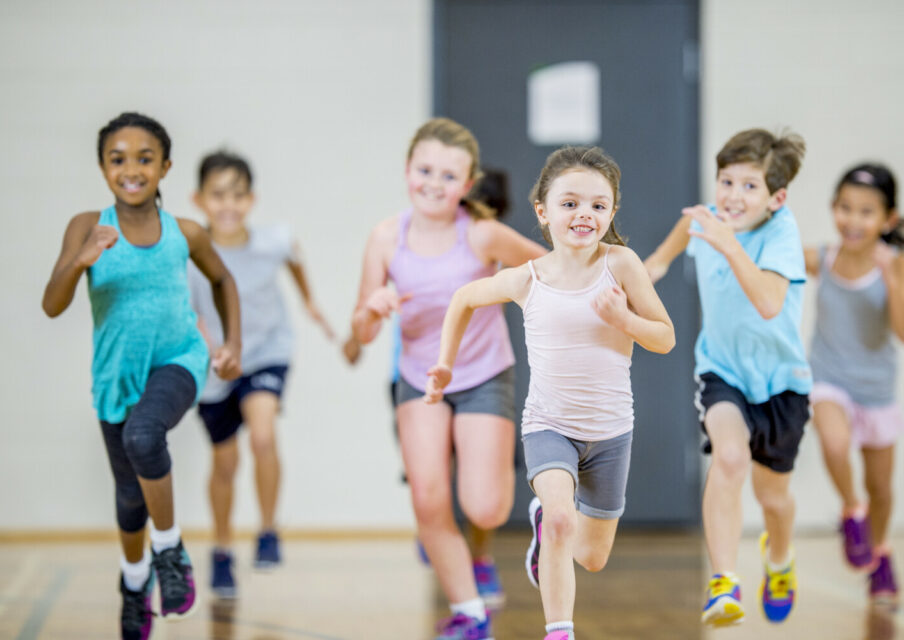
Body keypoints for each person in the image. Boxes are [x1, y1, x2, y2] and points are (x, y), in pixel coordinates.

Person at [426, 145, 674, 640]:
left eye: (598, 205)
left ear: (611, 213)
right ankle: (559, 631)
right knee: (562, 519)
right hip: (548, 426)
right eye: (570, 203)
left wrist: (624, 319)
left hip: (610, 433)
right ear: (543, 210)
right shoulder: (528, 278)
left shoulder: (621, 265)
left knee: (593, 557)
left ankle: (544, 529)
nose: (584, 214)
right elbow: (464, 298)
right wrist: (445, 364)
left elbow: (664, 337)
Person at [42, 112, 242, 640]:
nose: (131, 168)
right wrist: (80, 259)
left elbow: (223, 281)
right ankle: (134, 585)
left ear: (165, 167)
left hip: (178, 359)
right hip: (115, 379)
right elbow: (52, 304)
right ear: (104, 168)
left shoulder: (186, 231)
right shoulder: (87, 224)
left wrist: (231, 346)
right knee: (130, 499)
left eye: (144, 158)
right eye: (118, 159)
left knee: (145, 435)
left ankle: (170, 551)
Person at [350, 117, 545, 639]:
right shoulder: (386, 238)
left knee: (484, 504)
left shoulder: (482, 235)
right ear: (407, 170)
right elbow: (363, 330)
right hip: (419, 380)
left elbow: (550, 273)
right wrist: (373, 307)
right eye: (424, 170)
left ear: (468, 183)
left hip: (483, 374)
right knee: (428, 500)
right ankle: (469, 612)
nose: (433, 183)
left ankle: (542, 502)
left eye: (448, 175)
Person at [645, 128, 810, 627]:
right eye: (726, 181)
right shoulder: (707, 222)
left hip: (782, 384)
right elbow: (684, 231)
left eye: (750, 186)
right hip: (722, 372)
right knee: (730, 458)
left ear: (776, 198)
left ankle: (778, 562)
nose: (733, 196)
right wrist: (655, 264)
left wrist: (728, 244)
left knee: (773, 499)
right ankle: (723, 582)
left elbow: (767, 303)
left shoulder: (781, 234)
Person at [187, 151, 336, 599]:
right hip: (215, 363)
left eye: (237, 195)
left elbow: (293, 255)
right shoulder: (191, 249)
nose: (228, 204)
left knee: (263, 435)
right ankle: (221, 549)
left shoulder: (272, 240)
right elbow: (190, 310)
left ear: (251, 199)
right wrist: (214, 351)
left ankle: (268, 530)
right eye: (218, 195)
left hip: (267, 352)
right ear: (199, 200)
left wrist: (309, 300)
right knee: (225, 463)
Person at [805, 164, 903, 603]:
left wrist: (891, 277)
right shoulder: (823, 258)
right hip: (829, 378)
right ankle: (851, 509)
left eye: (866, 211)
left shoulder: (895, 267)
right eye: (845, 208)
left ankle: (881, 553)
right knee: (833, 441)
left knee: (882, 487)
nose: (853, 220)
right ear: (833, 209)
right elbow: (770, 254)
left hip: (877, 388)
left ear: (888, 220)